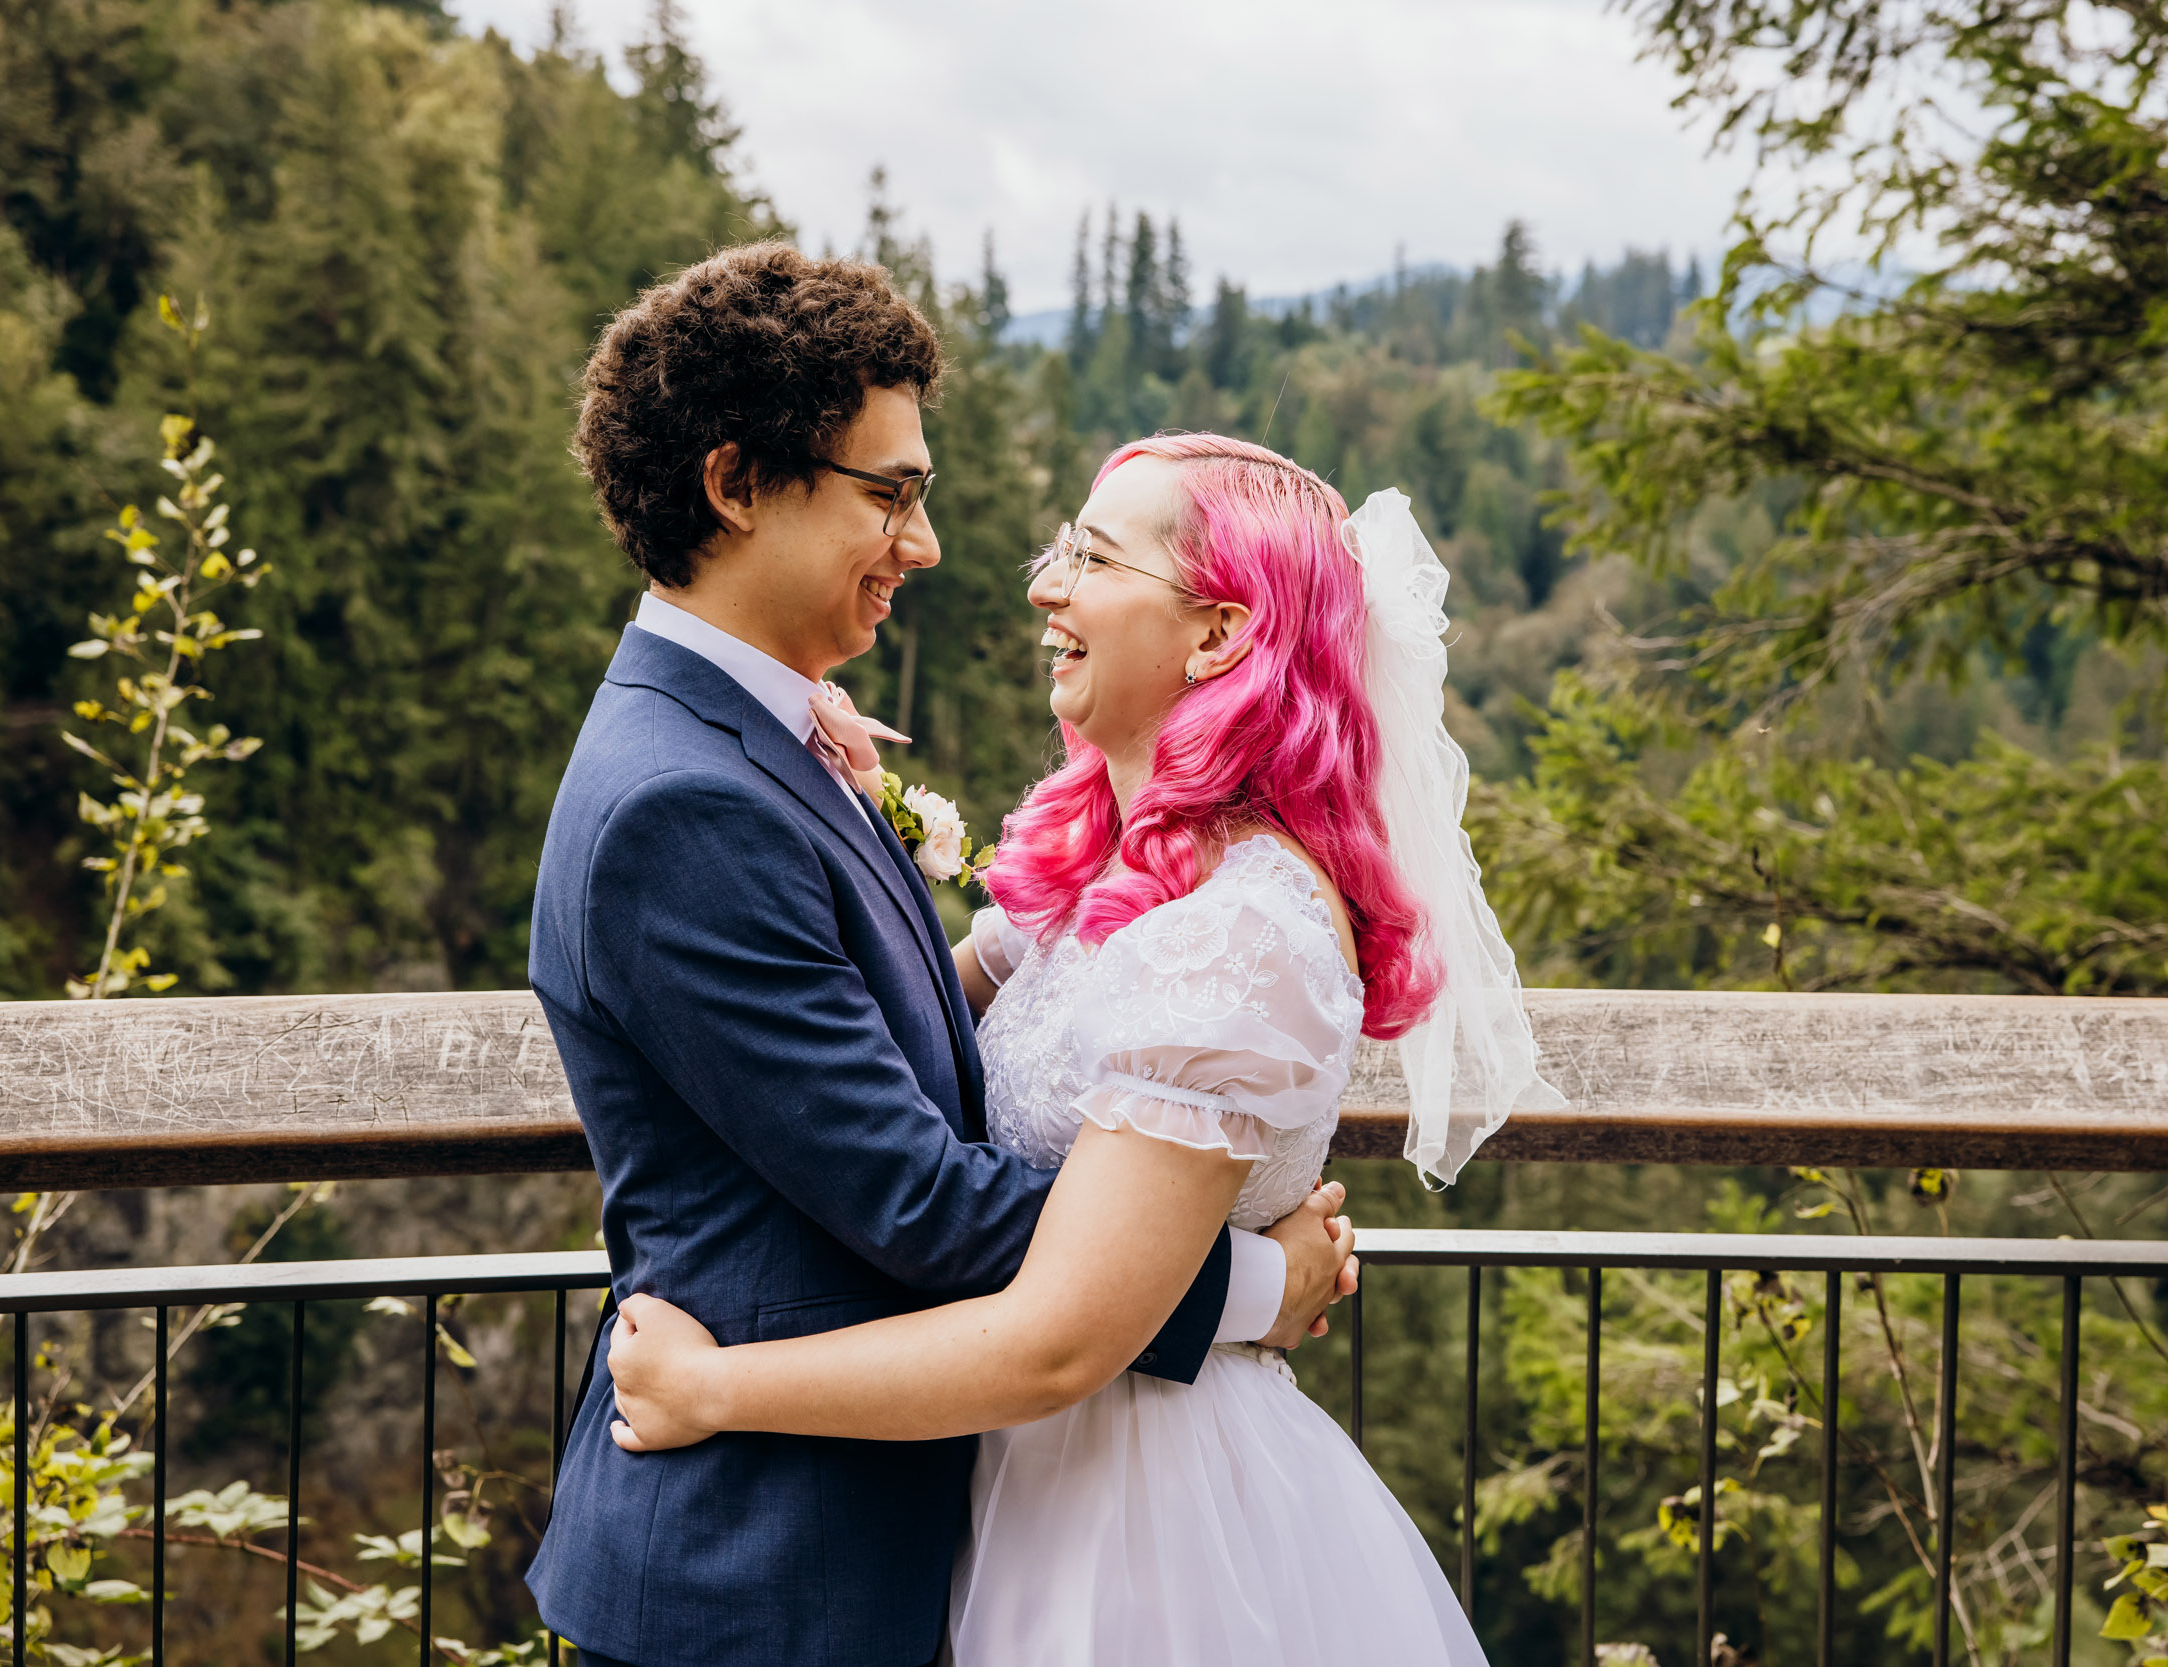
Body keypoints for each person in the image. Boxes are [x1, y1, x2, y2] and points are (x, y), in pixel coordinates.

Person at [603, 433, 1566, 1665]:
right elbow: (901, 1040)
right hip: (1008, 1476)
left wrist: (716, 1389)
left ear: (1217, 635)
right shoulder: (1108, 870)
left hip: (1137, 1525)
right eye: (1063, 547)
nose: (1044, 586)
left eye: (1094, 558)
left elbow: (1061, 1336)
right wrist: (815, 808)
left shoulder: (1238, 935)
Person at [524, 248, 1357, 1667]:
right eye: (889, 493)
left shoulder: (764, 743)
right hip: (766, 1576)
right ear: (734, 483)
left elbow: (933, 1021)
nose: (926, 544)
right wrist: (1252, 1288)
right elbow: (914, 1197)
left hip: (925, 1539)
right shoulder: (687, 805)